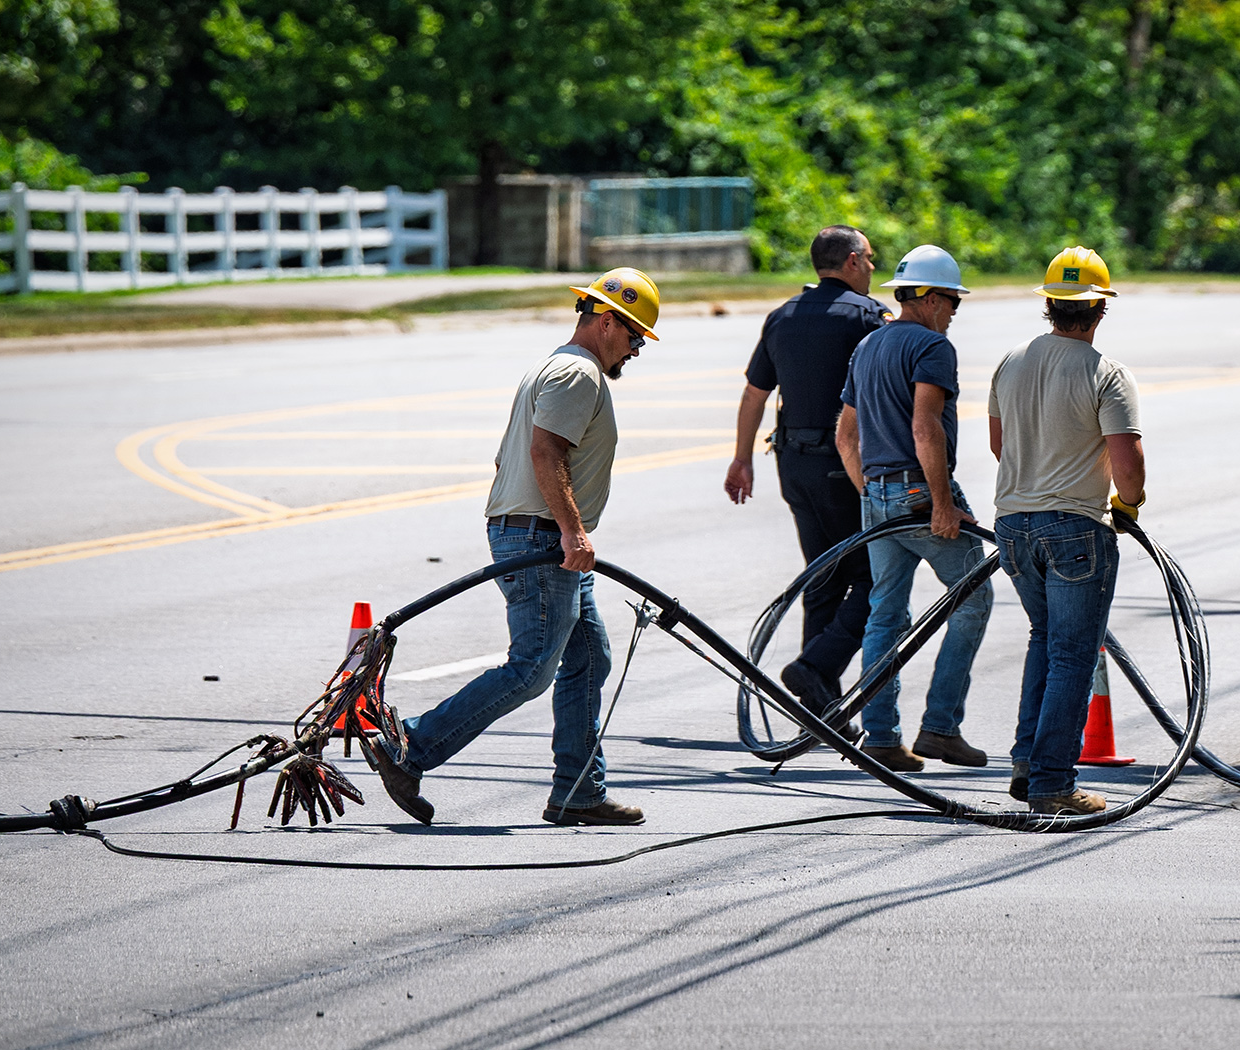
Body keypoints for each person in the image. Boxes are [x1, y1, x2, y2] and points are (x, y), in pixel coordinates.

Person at [367, 267, 661, 827]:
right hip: (542, 537)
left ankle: (579, 791)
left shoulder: (556, 366)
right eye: (634, 337)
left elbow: (514, 455)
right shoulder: (578, 374)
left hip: (539, 534)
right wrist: (572, 531)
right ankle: (411, 748)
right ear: (605, 322)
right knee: (530, 668)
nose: (636, 350)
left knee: (589, 657)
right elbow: (544, 453)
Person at [988, 246, 1143, 815]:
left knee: (1044, 640)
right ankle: (1052, 781)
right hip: (1075, 529)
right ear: (1100, 308)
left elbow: (999, 445)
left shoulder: (1010, 363)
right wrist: (1129, 505)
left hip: (1012, 526)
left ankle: (1027, 766)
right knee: (1073, 655)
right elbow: (1128, 465)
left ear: (1049, 305)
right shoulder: (1107, 373)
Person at [834, 244, 993, 772]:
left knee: (885, 613)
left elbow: (846, 437)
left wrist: (871, 496)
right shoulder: (932, 346)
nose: (954, 312)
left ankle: (881, 737)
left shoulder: (868, 345)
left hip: (878, 496)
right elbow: (925, 429)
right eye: (953, 301)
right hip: (920, 494)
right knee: (973, 598)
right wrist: (941, 504)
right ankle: (941, 727)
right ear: (928, 298)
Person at [723, 226, 888, 715]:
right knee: (879, 578)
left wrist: (742, 458)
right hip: (844, 468)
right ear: (852, 261)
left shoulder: (782, 316)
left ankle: (819, 708)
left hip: (794, 466)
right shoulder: (868, 317)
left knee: (823, 577)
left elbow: (755, 394)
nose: (872, 267)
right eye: (870, 258)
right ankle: (815, 668)